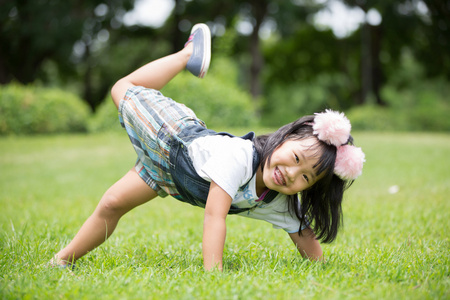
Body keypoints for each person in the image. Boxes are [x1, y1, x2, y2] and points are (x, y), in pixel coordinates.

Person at [51, 24, 365, 271]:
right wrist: (213, 277)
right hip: (170, 135)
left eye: (305, 178)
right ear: (284, 138)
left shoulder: (277, 199)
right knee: (122, 88)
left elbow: (303, 234)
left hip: (167, 176)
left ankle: (62, 260)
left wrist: (321, 268)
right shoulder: (240, 157)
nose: (291, 174)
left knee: (112, 204)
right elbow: (215, 216)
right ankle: (188, 54)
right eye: (295, 158)